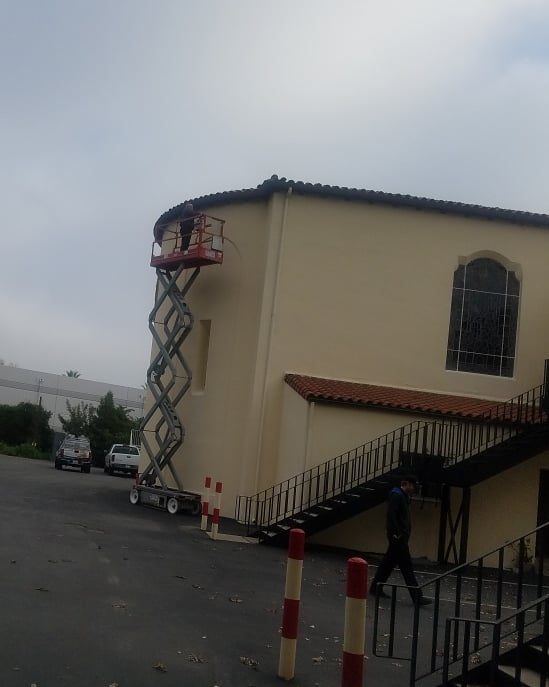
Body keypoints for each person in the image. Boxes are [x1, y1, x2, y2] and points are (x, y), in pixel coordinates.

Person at [369, 475, 431, 605]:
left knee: (388, 564)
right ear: (406, 484)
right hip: (399, 538)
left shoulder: (401, 496)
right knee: (406, 567)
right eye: (413, 486)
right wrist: (397, 534)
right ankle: (417, 596)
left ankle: (375, 588)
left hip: (398, 537)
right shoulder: (397, 496)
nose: (414, 489)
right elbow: (392, 516)